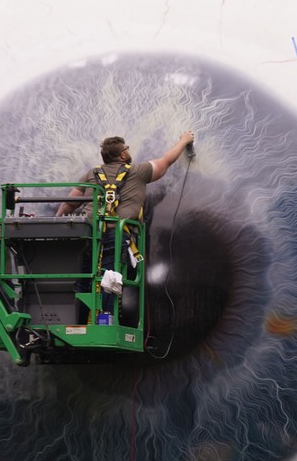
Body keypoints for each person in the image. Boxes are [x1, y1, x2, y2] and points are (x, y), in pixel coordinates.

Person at [56, 131, 195, 320]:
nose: (129, 151)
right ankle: (104, 323)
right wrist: (184, 140)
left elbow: (70, 203)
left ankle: (78, 324)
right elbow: (165, 162)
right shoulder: (138, 171)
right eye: (127, 149)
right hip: (116, 235)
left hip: (88, 235)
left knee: (85, 281)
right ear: (122, 155)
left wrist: (56, 221)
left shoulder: (92, 174)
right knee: (109, 280)